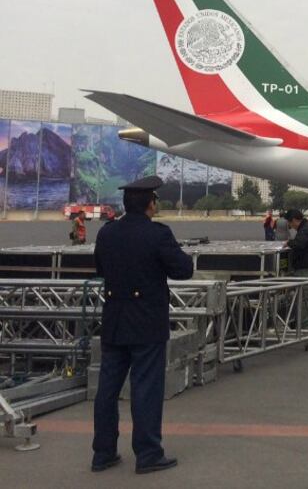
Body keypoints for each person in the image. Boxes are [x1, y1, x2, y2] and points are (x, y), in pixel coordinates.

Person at [91, 176, 194, 475]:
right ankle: (148, 453)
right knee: (145, 389)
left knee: (107, 390)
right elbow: (183, 270)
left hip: (113, 320)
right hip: (147, 322)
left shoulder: (107, 234)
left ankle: (103, 452)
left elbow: (100, 268)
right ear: (151, 204)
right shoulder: (158, 234)